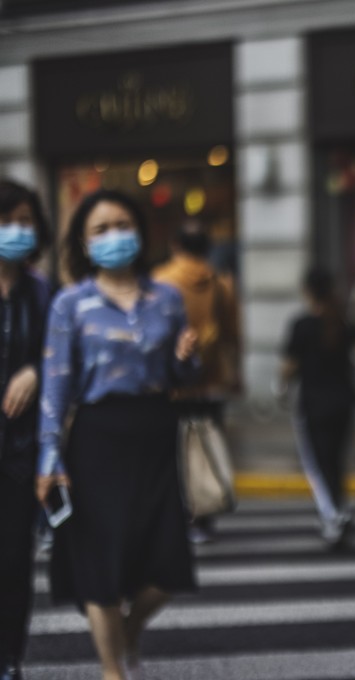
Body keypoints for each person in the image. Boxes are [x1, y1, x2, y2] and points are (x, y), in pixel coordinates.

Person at [35, 189, 199, 680]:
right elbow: (56, 383)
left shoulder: (167, 298)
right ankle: (114, 670)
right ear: (84, 244)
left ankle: (125, 635)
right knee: (99, 561)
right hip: (96, 438)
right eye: (100, 229)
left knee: (168, 563)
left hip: (153, 432)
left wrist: (187, 361)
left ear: (140, 233)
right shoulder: (70, 304)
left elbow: (180, 376)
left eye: (122, 225)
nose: (114, 237)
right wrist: (49, 455)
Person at [153, 219, 240, 543]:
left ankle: (181, 514)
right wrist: (232, 375)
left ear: (176, 245)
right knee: (204, 448)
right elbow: (232, 334)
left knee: (174, 452)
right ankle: (203, 515)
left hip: (170, 383)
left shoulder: (160, 281)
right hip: (209, 382)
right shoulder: (220, 283)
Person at [0, 179, 51, 680]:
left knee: (14, 564)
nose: (15, 230)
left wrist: (36, 369)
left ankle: (10, 658)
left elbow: (60, 361)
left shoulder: (41, 291)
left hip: (19, 452)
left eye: (23, 220)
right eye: (6, 219)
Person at [280, 267, 355, 547]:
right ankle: (339, 508)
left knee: (317, 464)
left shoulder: (302, 325)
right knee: (336, 461)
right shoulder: (343, 322)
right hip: (345, 403)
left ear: (308, 291)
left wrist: (280, 388)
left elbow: (289, 367)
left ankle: (332, 515)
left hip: (314, 405)